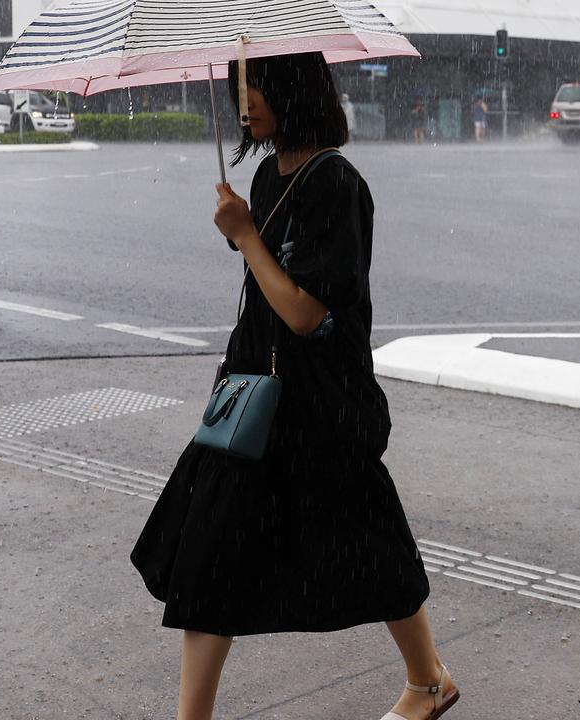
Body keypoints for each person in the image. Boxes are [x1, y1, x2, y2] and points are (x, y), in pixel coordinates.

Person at [129, 52, 459, 720]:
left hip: (319, 406)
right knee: (210, 555)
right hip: (255, 396)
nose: (245, 103)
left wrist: (246, 237)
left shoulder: (335, 182)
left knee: (370, 543)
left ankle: (428, 681)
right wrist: (246, 242)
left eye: (260, 87)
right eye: (238, 88)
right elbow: (264, 297)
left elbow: (310, 314)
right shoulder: (264, 178)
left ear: (297, 90)